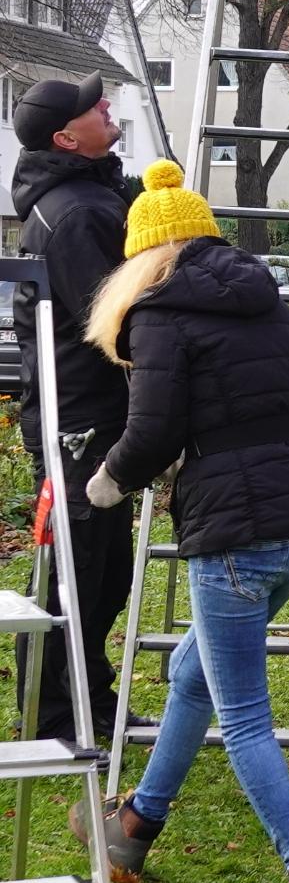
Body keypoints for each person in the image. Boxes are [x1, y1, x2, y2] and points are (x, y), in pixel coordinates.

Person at [74, 160, 289, 883]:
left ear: (146, 257)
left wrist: (106, 484)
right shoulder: (267, 304)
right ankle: (135, 826)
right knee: (193, 672)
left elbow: (154, 430)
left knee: (244, 716)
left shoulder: (160, 315)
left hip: (233, 538)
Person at [10, 72, 142, 744]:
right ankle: (55, 716)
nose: (105, 106)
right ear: (66, 137)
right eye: (92, 107)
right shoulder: (76, 214)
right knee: (82, 567)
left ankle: (83, 699)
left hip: (83, 409)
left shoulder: (87, 195)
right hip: (78, 417)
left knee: (99, 567)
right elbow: (112, 313)